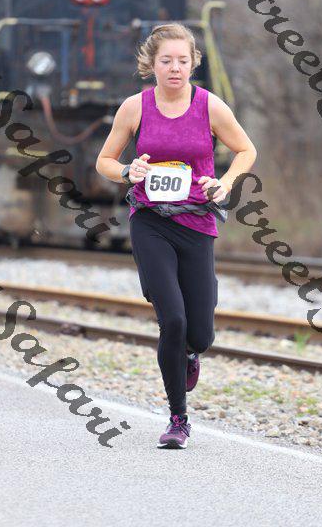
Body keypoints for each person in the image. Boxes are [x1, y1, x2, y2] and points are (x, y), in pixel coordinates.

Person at [96, 23, 257, 449]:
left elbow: (246, 150)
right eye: (166, 60)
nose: (174, 68)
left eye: (182, 60)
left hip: (197, 223)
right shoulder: (135, 107)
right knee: (173, 320)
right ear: (151, 64)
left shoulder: (209, 106)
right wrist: (127, 171)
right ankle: (177, 418)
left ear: (193, 63)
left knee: (199, 334)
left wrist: (225, 182)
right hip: (150, 221)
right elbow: (104, 161)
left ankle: (190, 352)